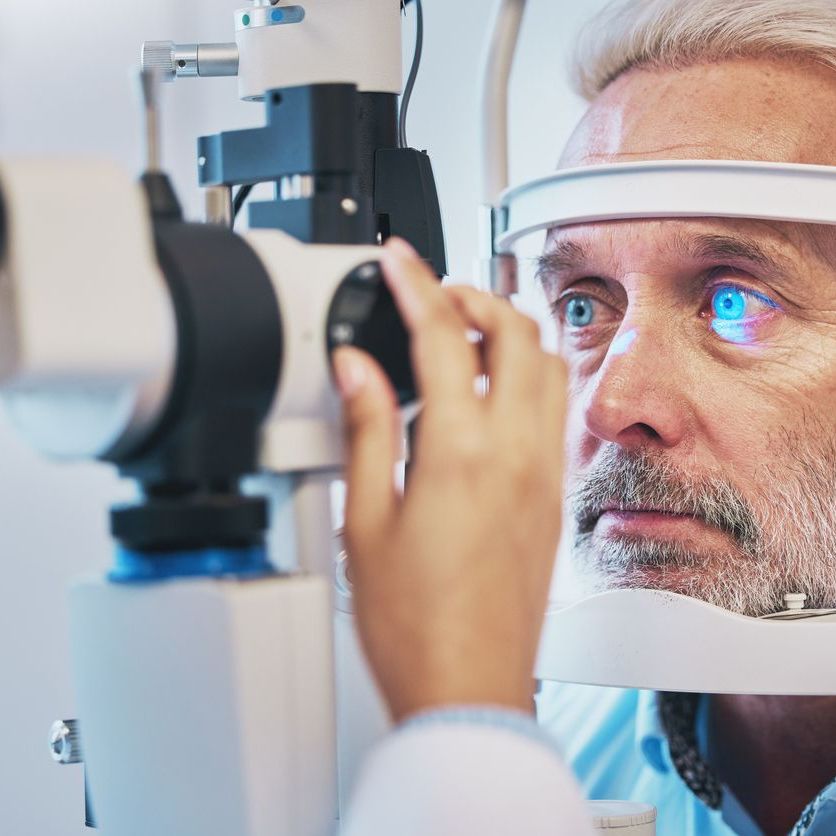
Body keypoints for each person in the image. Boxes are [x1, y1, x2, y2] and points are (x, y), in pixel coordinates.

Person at [340, 0, 836, 833]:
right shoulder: (549, 752)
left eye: (736, 299)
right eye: (583, 307)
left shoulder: (486, 763)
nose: (611, 405)